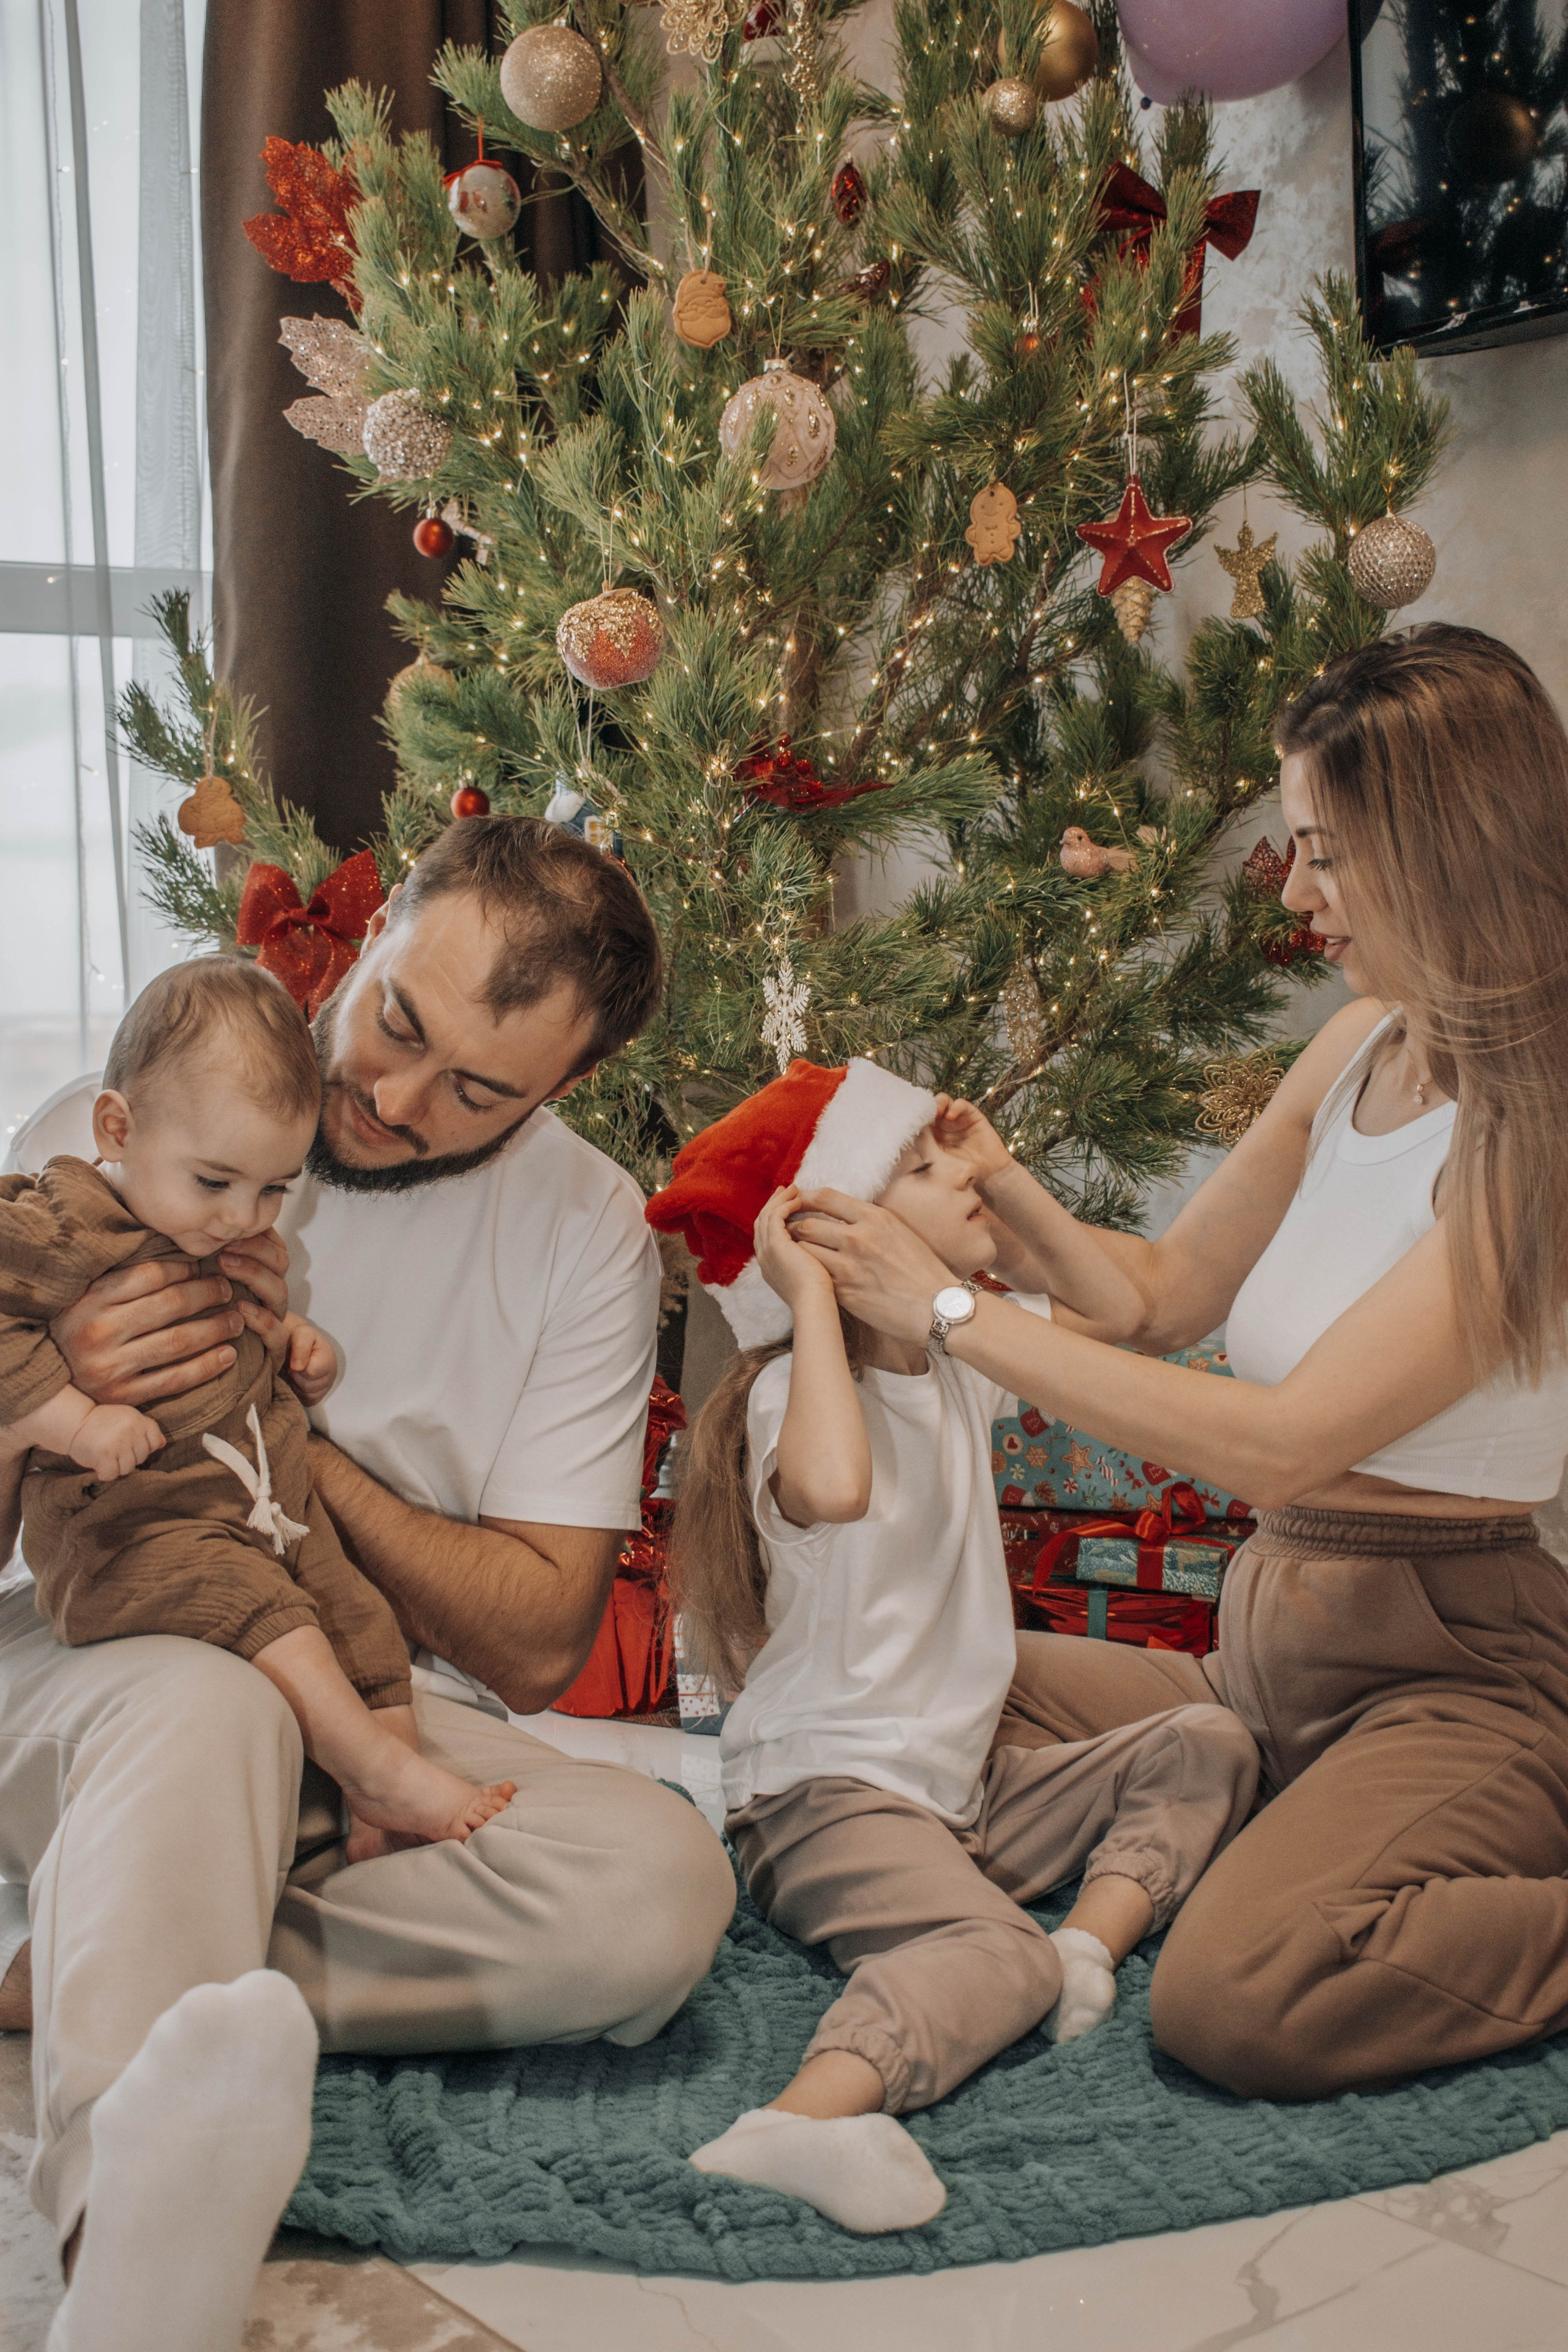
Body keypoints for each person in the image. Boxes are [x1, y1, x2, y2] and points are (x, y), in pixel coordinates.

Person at [785, 624, 1568, 2103]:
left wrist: (946, 1309)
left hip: (1452, 1674)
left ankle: (1366, 1859)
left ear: (1448, 847)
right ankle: (1266, 1826)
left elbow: (1282, 1446)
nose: (1293, 895)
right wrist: (1002, 1185)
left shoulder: (1544, 1127)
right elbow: (1152, 1294)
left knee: (1241, 2000)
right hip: (1263, 1659)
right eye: (1292, 849)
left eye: (1325, 856)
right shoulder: (1353, 1049)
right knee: (914, 1689)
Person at [0, 815, 736, 2352]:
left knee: (655, 1899)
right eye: (397, 1021)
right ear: (385, 915)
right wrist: (48, 1390)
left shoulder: (588, 1230)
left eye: (478, 1090)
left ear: (565, 1090)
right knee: (215, 1706)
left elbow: (537, 1643)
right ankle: (126, 2252)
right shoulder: (120, 1121)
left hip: (388, 1701)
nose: (393, 1100)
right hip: (101, 1653)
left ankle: (99, 1947)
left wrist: (267, 1422)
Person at [646, 1058, 1259, 2232]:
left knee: (1206, 1741)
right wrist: (814, 1303)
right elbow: (830, 1484)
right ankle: (798, 2121)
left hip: (955, 1787)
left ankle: (1087, 1948)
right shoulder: (793, 1393)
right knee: (996, 1960)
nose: (958, 1178)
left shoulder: (959, 1362)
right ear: (830, 1242)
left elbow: (1116, 1308)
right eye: (920, 1172)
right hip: (819, 1795)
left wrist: (1005, 1173)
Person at [1, 957, 516, 1854]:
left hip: (262, 1515)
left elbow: (234, 1345)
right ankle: (377, 1772)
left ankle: (379, 1825)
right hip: (130, 1537)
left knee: (358, 1619)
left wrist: (290, 1349)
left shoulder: (212, 1228)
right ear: (117, 1128)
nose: (244, 1215)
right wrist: (73, 1421)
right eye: (217, 1183)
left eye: (274, 1189)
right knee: (255, 1606)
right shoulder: (66, 1223)